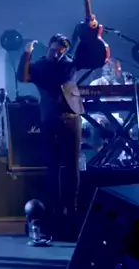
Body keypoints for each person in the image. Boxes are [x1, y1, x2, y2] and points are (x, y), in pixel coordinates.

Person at [17, 34, 84, 244]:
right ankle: (55, 209)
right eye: (54, 50)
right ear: (48, 47)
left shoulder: (68, 65)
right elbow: (23, 76)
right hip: (50, 118)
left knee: (72, 167)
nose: (56, 54)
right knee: (52, 166)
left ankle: (71, 209)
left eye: (60, 52)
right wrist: (26, 54)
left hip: (71, 118)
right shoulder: (40, 66)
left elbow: (74, 68)